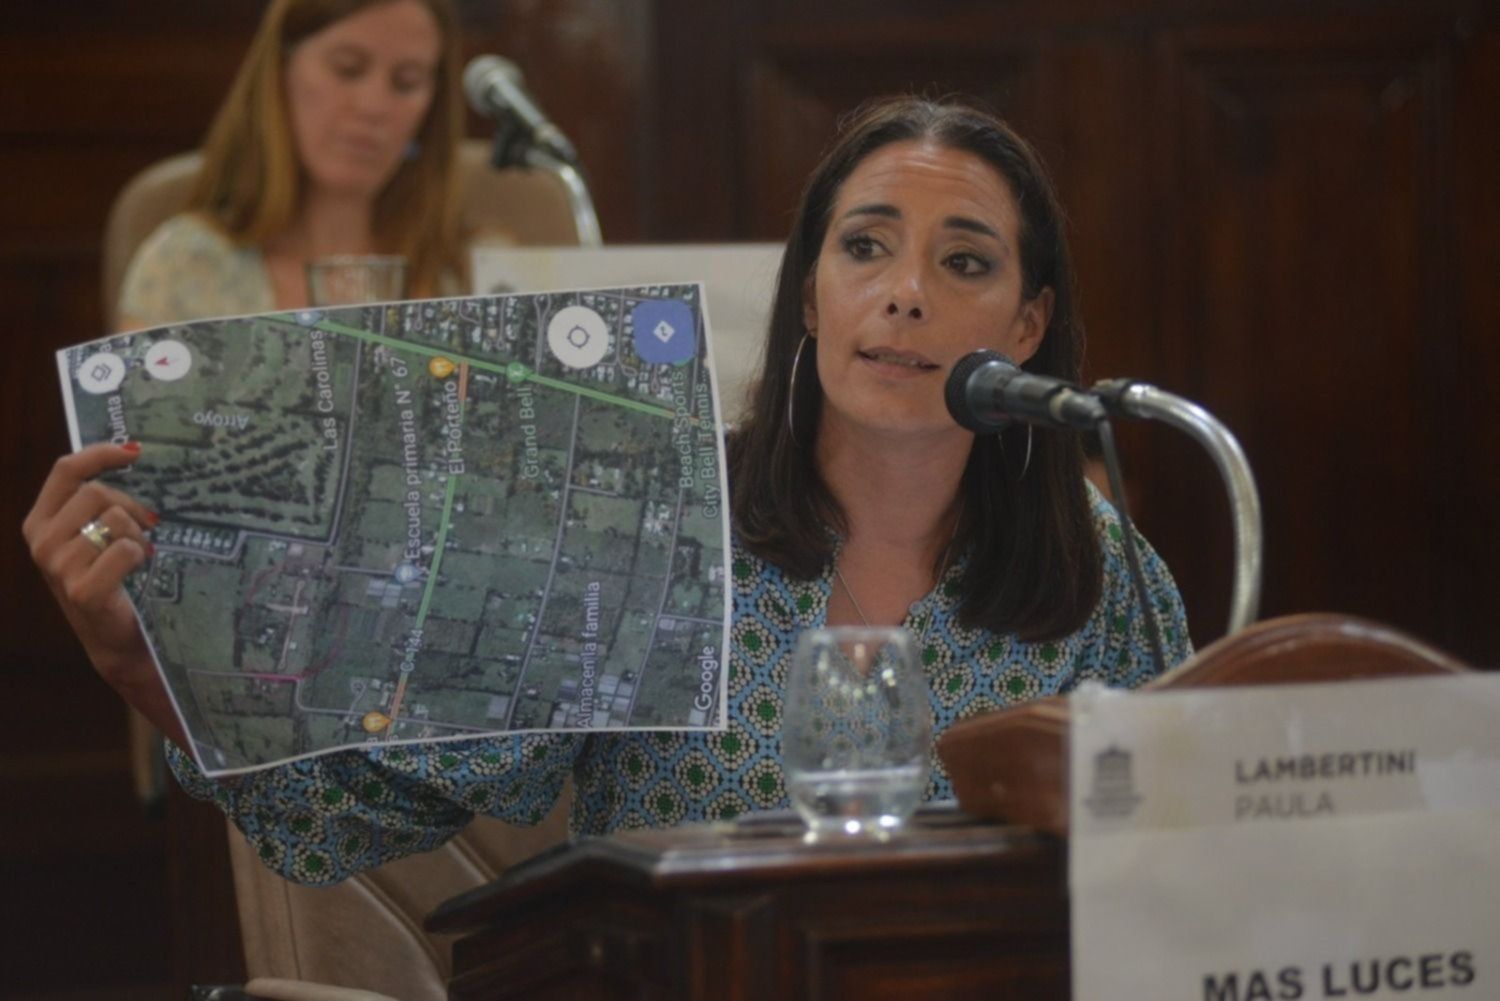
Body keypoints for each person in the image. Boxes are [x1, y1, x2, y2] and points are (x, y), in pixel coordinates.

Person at [25, 95, 1192, 886]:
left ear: (1028, 325)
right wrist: (139, 663)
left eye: (966, 261)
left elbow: (1180, 872)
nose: (906, 293)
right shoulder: (647, 517)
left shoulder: (1109, 580)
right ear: (809, 295)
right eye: (866, 247)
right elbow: (363, 812)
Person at [117, 0, 465, 331]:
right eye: (347, 69)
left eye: (406, 83)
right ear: (280, 72)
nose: (373, 106)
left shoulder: (465, 269)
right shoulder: (186, 265)